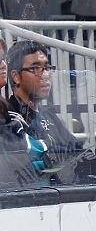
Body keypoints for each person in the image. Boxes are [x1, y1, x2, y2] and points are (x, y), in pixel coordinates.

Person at [6, 40, 82, 182]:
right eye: (35, 68)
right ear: (16, 76)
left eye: (47, 67)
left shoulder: (49, 116)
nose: (45, 75)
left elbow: (77, 151)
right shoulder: (9, 119)